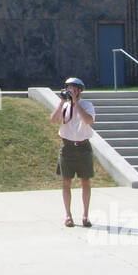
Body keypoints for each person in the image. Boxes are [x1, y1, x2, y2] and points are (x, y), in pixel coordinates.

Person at [49, 76, 96, 227]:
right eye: (68, 88)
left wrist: (76, 103)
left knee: (85, 181)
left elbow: (89, 120)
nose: (70, 91)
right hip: (67, 147)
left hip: (83, 147)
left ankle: (85, 215)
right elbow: (53, 120)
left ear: (79, 90)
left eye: (74, 88)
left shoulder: (87, 105)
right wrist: (62, 102)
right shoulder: (64, 106)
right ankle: (68, 215)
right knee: (66, 182)